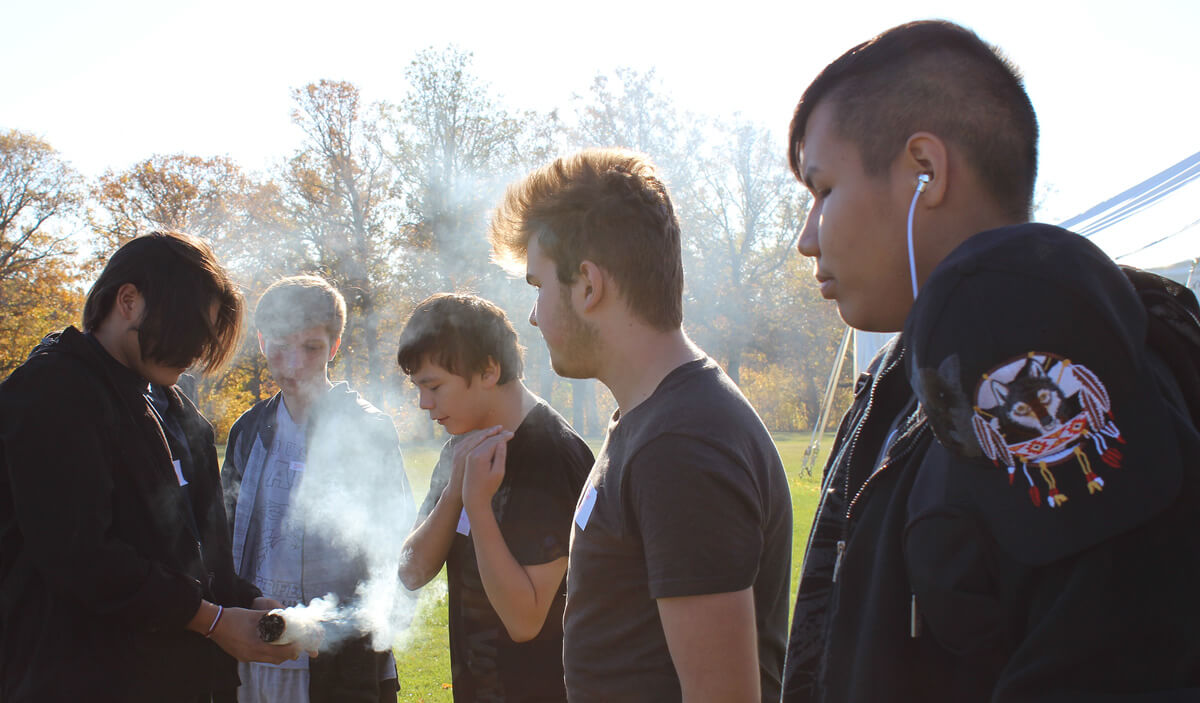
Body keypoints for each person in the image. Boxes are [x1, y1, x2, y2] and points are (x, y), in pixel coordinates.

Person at [783, 20, 1200, 702]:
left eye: (823, 190)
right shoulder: (909, 375)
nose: (806, 238)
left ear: (926, 170)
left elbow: (1117, 656)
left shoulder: (1041, 357)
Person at [488, 148, 793, 703]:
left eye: (538, 286)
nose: (533, 314)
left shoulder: (680, 445)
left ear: (587, 284)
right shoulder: (651, 423)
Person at [0, 230, 305, 702]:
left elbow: (193, 554)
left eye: (205, 339)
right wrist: (214, 620)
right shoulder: (51, 393)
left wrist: (244, 602)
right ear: (128, 300)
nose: (197, 353)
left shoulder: (179, 413)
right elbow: (83, 557)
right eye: (189, 331)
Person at [222, 275, 411, 702]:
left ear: (335, 345)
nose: (293, 364)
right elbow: (223, 534)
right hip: (257, 645)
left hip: (338, 656)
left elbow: (393, 545)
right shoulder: (248, 431)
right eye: (280, 346)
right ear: (261, 340)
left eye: (310, 348)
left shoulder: (368, 429)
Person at [397, 292, 593, 703]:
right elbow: (411, 573)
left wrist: (478, 504)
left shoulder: (552, 455)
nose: (423, 404)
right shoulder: (461, 444)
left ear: (489, 370)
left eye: (433, 386)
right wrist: (454, 493)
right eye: (418, 387)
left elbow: (525, 621)